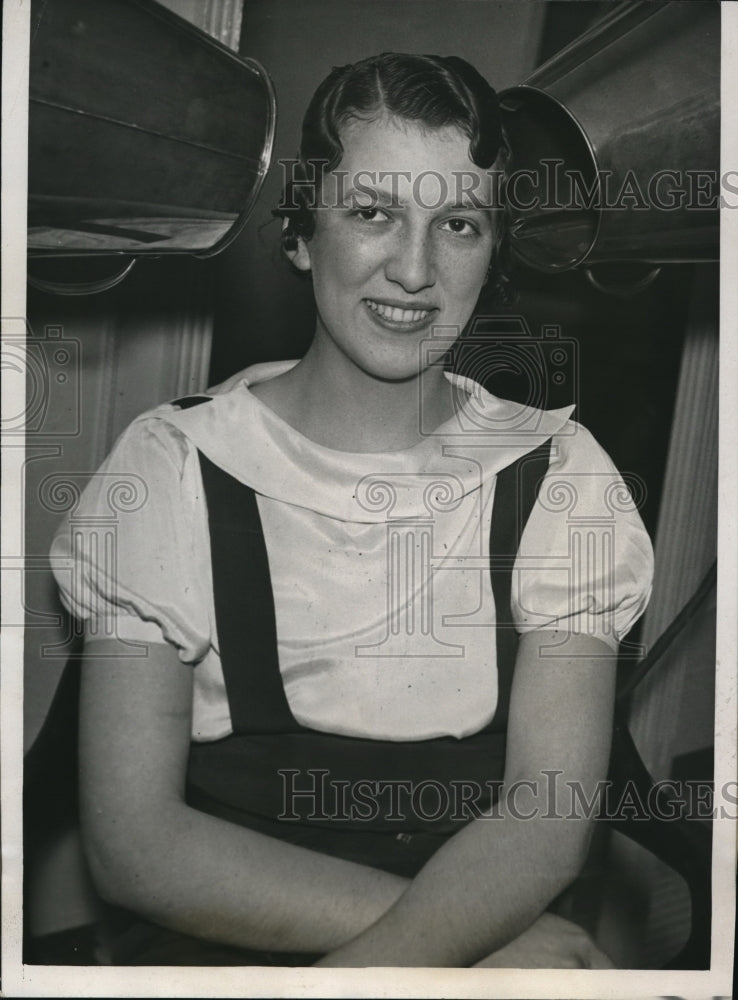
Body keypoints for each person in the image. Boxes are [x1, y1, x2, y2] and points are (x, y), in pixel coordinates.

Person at [51, 52, 653, 968]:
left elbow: (546, 823)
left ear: (494, 255)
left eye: (458, 223)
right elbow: (136, 848)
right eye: (372, 212)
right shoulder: (171, 465)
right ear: (301, 232)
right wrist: (473, 945)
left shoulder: (560, 475)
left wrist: (382, 972)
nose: (413, 270)